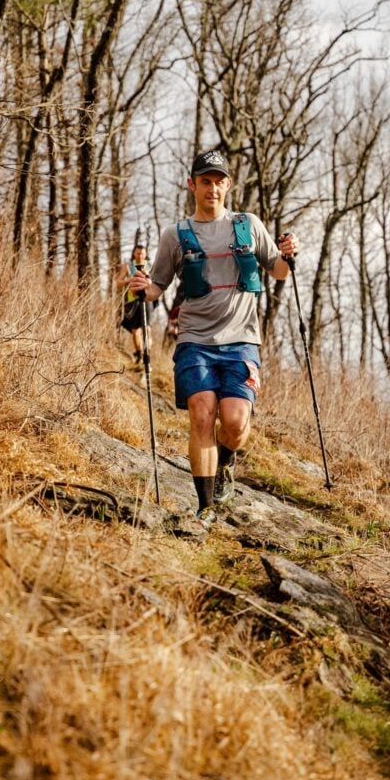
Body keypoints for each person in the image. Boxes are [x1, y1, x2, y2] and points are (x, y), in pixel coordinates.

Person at [129, 149, 299, 532]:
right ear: (192, 185)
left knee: (235, 423)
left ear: (228, 185)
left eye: (219, 181)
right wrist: (143, 287)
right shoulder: (176, 235)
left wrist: (290, 254)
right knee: (202, 413)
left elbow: (279, 271)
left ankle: (226, 460)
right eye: (205, 181)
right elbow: (157, 285)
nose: (213, 188)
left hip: (242, 341)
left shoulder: (248, 225)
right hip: (195, 339)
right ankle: (204, 508)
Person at [116, 242, 150, 367]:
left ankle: (147, 355)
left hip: (148, 299)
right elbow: (118, 283)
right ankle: (140, 355)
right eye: (138, 253)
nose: (140, 255)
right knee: (135, 331)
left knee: (147, 329)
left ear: (146, 254)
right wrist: (130, 280)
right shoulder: (128, 266)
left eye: (142, 253)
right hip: (132, 301)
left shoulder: (150, 265)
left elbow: (158, 283)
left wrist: (148, 279)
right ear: (134, 253)